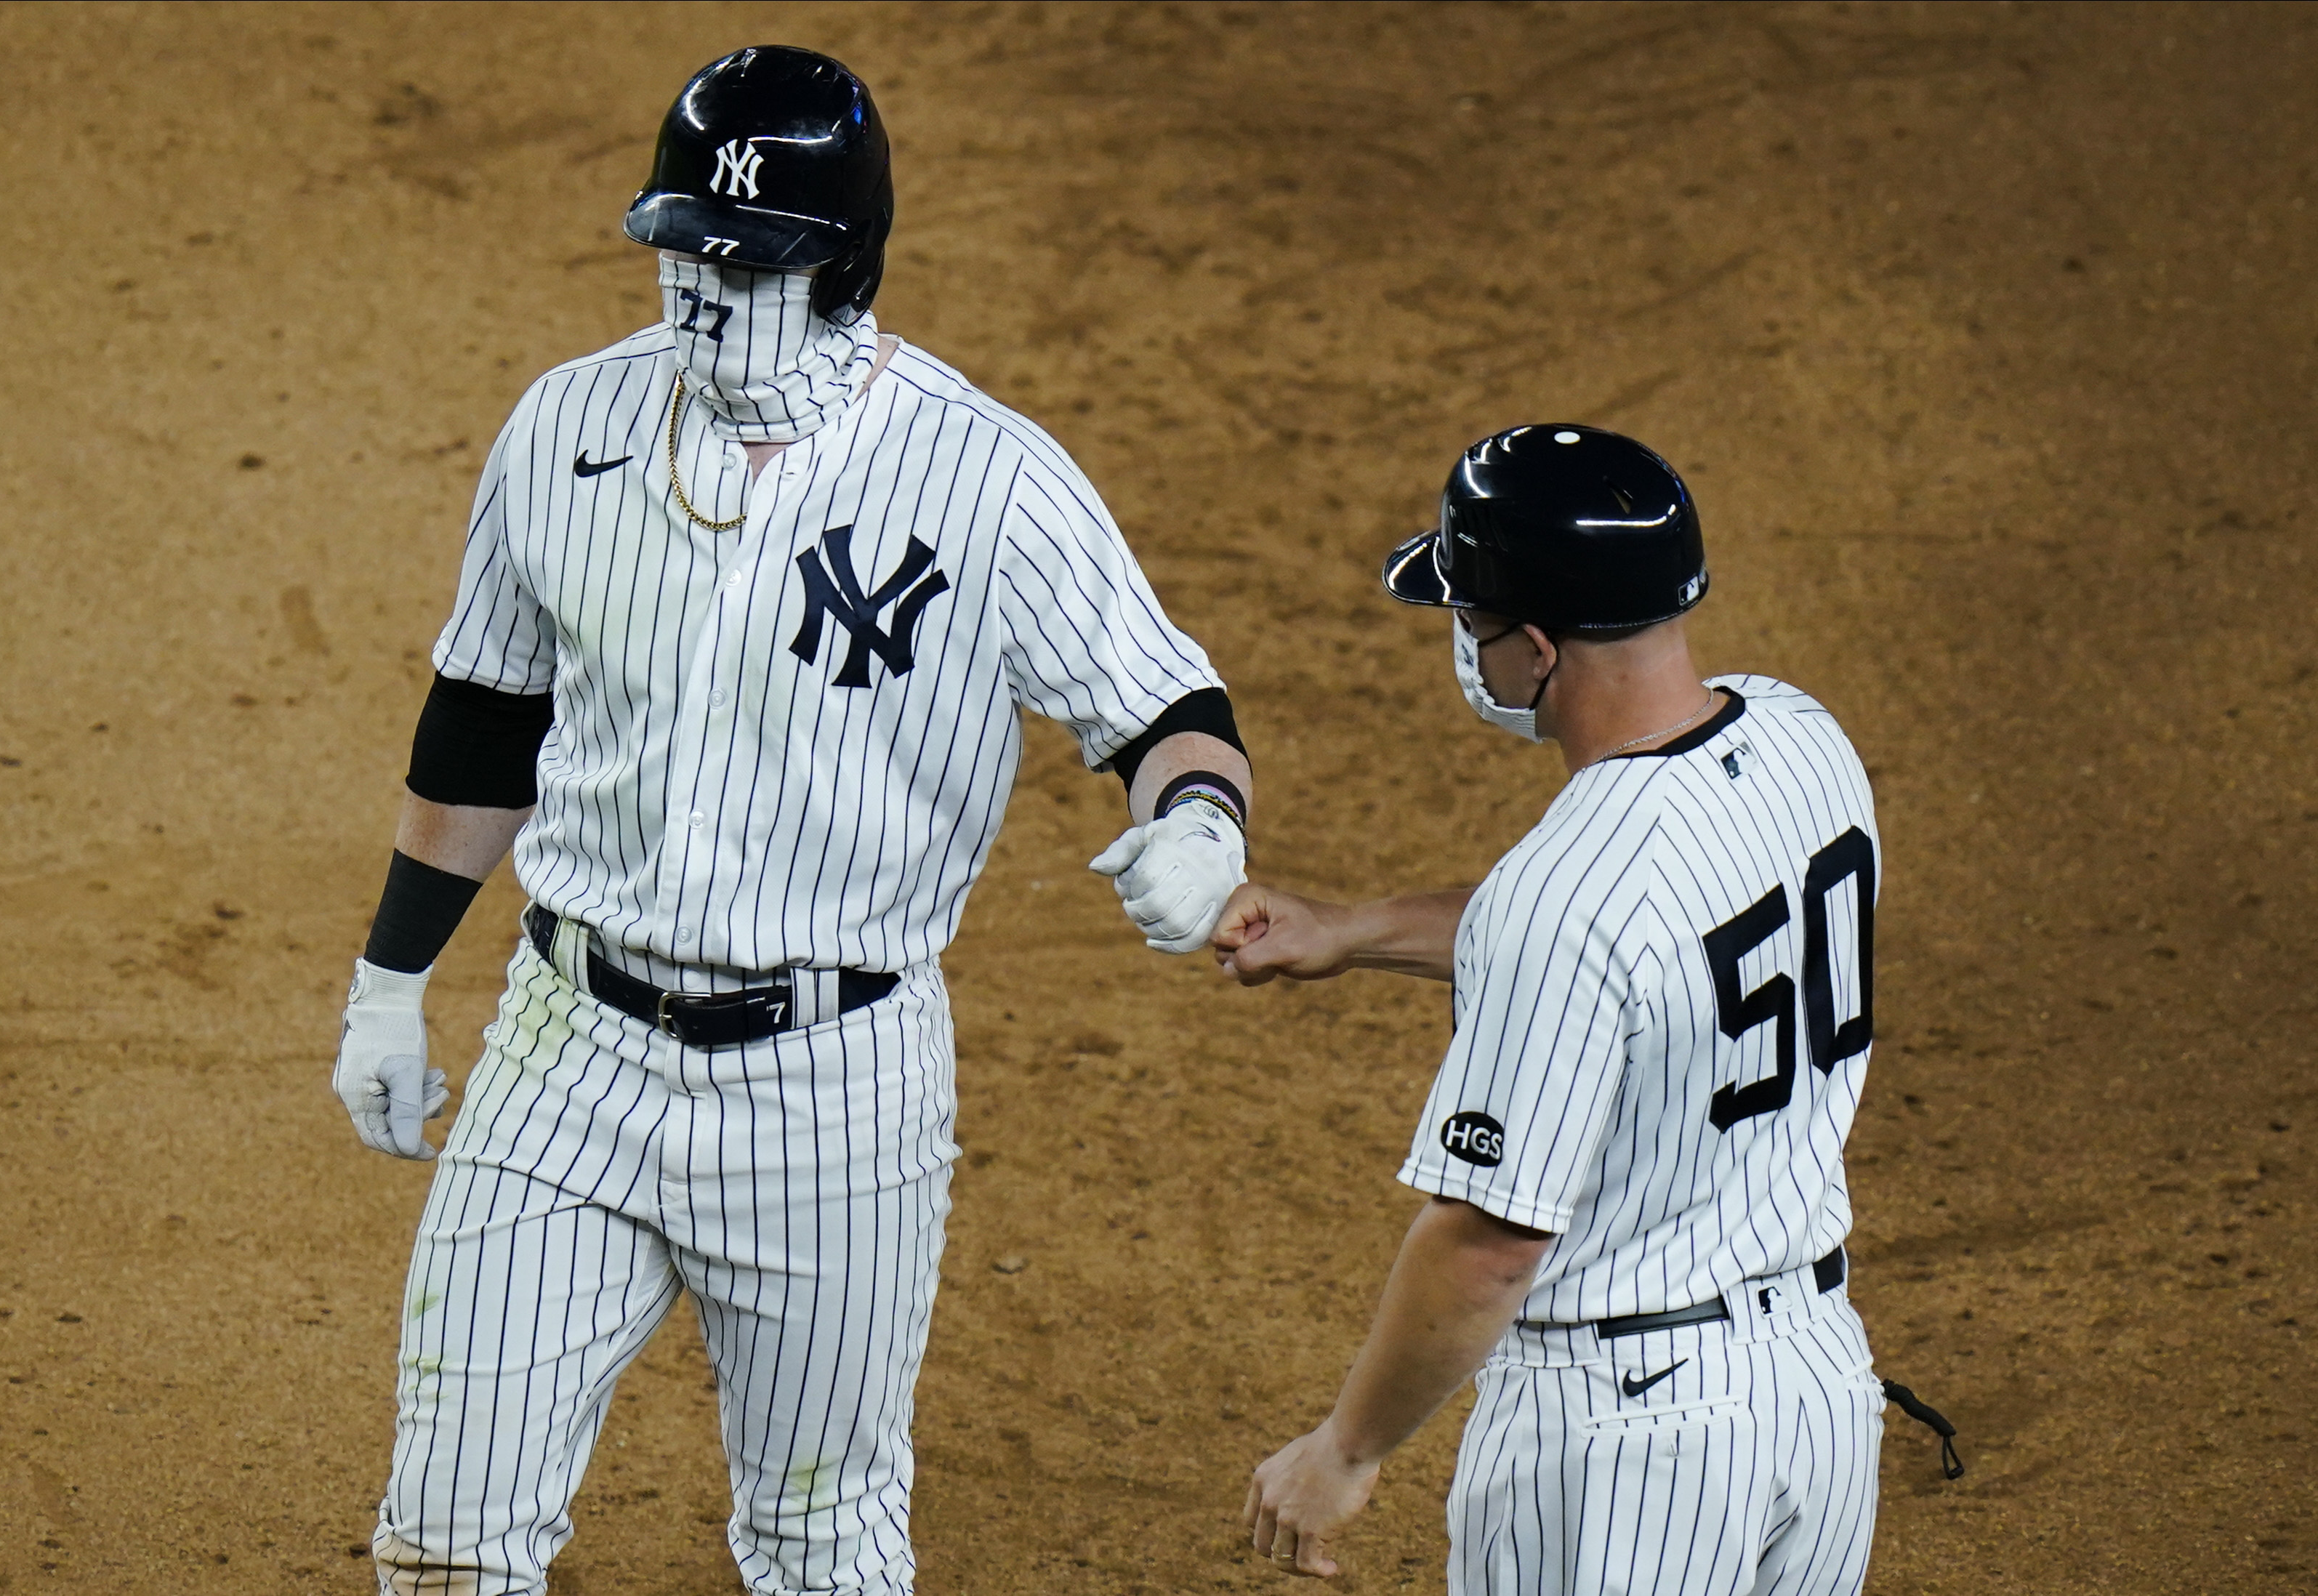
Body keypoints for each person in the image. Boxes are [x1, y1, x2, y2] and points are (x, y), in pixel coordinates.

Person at [328, 46, 1252, 1596]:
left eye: (747, 261)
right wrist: (390, 984)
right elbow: (484, 722)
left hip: (835, 1089)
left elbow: (1167, 715)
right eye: (684, 244)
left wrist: (1200, 823)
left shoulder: (986, 477)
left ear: (845, 267)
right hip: (569, 1056)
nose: (700, 286)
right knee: (445, 1536)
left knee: (820, 1540)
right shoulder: (566, 427)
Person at [1217, 425, 1952, 1593]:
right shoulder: (1801, 737)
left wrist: (1345, 1451)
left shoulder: (1563, 899)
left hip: (1621, 1448)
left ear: (1541, 648)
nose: (1467, 648)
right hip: (1815, 1390)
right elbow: (1641, 955)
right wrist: (1353, 929)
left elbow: (1489, 1251)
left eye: (1473, 624)